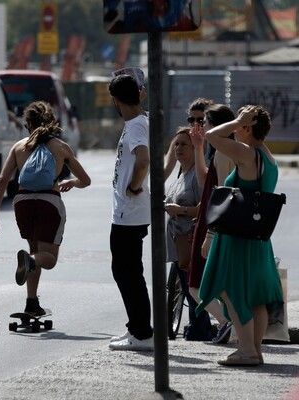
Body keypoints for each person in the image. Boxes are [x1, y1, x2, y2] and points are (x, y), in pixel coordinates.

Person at [195, 105, 284, 366]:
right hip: (257, 237)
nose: (236, 129)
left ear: (248, 127)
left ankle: (245, 350)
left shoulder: (247, 153)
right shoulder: (268, 157)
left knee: (230, 289)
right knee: (255, 296)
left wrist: (235, 121)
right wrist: (240, 122)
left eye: (242, 124)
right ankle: (254, 350)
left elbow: (212, 136)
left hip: (237, 235)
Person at [0, 101, 90, 316]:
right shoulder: (61, 147)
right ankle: (30, 262)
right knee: (48, 258)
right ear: (51, 123)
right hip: (48, 202)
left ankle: (31, 301)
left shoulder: (19, 147)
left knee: (35, 251)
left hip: (22, 202)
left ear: (29, 124)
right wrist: (71, 182)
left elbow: (2, 180)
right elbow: (85, 180)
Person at [106, 74, 153, 351]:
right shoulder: (139, 121)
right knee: (127, 271)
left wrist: (134, 187)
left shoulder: (136, 125)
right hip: (129, 213)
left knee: (127, 273)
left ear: (116, 100)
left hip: (129, 212)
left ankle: (142, 334)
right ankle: (137, 329)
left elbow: (143, 160)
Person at [187, 104, 237, 344]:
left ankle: (227, 323)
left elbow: (226, 195)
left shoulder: (226, 153)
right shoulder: (219, 151)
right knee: (206, 282)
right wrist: (199, 149)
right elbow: (203, 180)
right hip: (210, 222)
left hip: (214, 224)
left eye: (205, 122)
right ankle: (229, 324)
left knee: (197, 284)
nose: (202, 127)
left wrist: (211, 232)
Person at [164, 127, 209, 340]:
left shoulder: (196, 176)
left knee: (193, 289)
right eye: (176, 144)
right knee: (186, 286)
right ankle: (197, 328)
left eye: (184, 144)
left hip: (190, 241)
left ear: (195, 149)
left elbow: (206, 206)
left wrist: (180, 210)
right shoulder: (181, 174)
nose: (179, 148)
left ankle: (200, 330)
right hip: (177, 241)